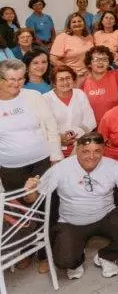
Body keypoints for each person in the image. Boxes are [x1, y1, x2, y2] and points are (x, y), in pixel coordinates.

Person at [34, 132, 118, 279]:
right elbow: (34, 197)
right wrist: (30, 189)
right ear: (77, 149)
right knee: (64, 261)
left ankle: (106, 256)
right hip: (71, 221)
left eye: (97, 151)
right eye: (86, 151)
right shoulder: (60, 168)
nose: (91, 156)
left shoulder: (113, 166)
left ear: (103, 150)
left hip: (105, 216)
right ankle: (77, 258)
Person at [0, 59, 63, 198]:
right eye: (11, 79)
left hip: (42, 162)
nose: (16, 84)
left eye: (20, 79)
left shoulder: (33, 96)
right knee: (19, 210)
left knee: (47, 203)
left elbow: (51, 128)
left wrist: (56, 157)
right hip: (11, 168)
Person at [44, 66, 97, 157]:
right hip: (54, 149)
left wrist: (73, 134)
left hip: (79, 146)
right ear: (54, 82)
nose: (65, 82)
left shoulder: (80, 94)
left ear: (73, 79)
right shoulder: (45, 99)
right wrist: (60, 138)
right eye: (61, 79)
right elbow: (43, 127)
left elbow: (91, 121)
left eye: (68, 78)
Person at [81, 45, 118, 123]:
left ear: (109, 63)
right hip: (92, 129)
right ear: (89, 64)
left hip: (116, 125)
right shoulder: (83, 81)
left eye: (104, 59)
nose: (100, 62)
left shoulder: (115, 75)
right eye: (96, 59)